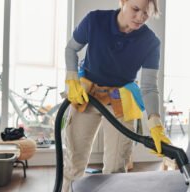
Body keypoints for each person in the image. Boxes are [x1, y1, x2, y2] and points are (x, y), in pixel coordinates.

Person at [62, 0, 171, 191]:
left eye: (146, 13)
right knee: (74, 163)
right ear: (123, 2)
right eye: (135, 9)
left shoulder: (151, 42)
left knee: (116, 169)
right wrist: (72, 78)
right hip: (86, 97)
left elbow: (149, 86)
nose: (140, 18)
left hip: (120, 101)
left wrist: (155, 121)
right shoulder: (94, 20)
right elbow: (71, 48)